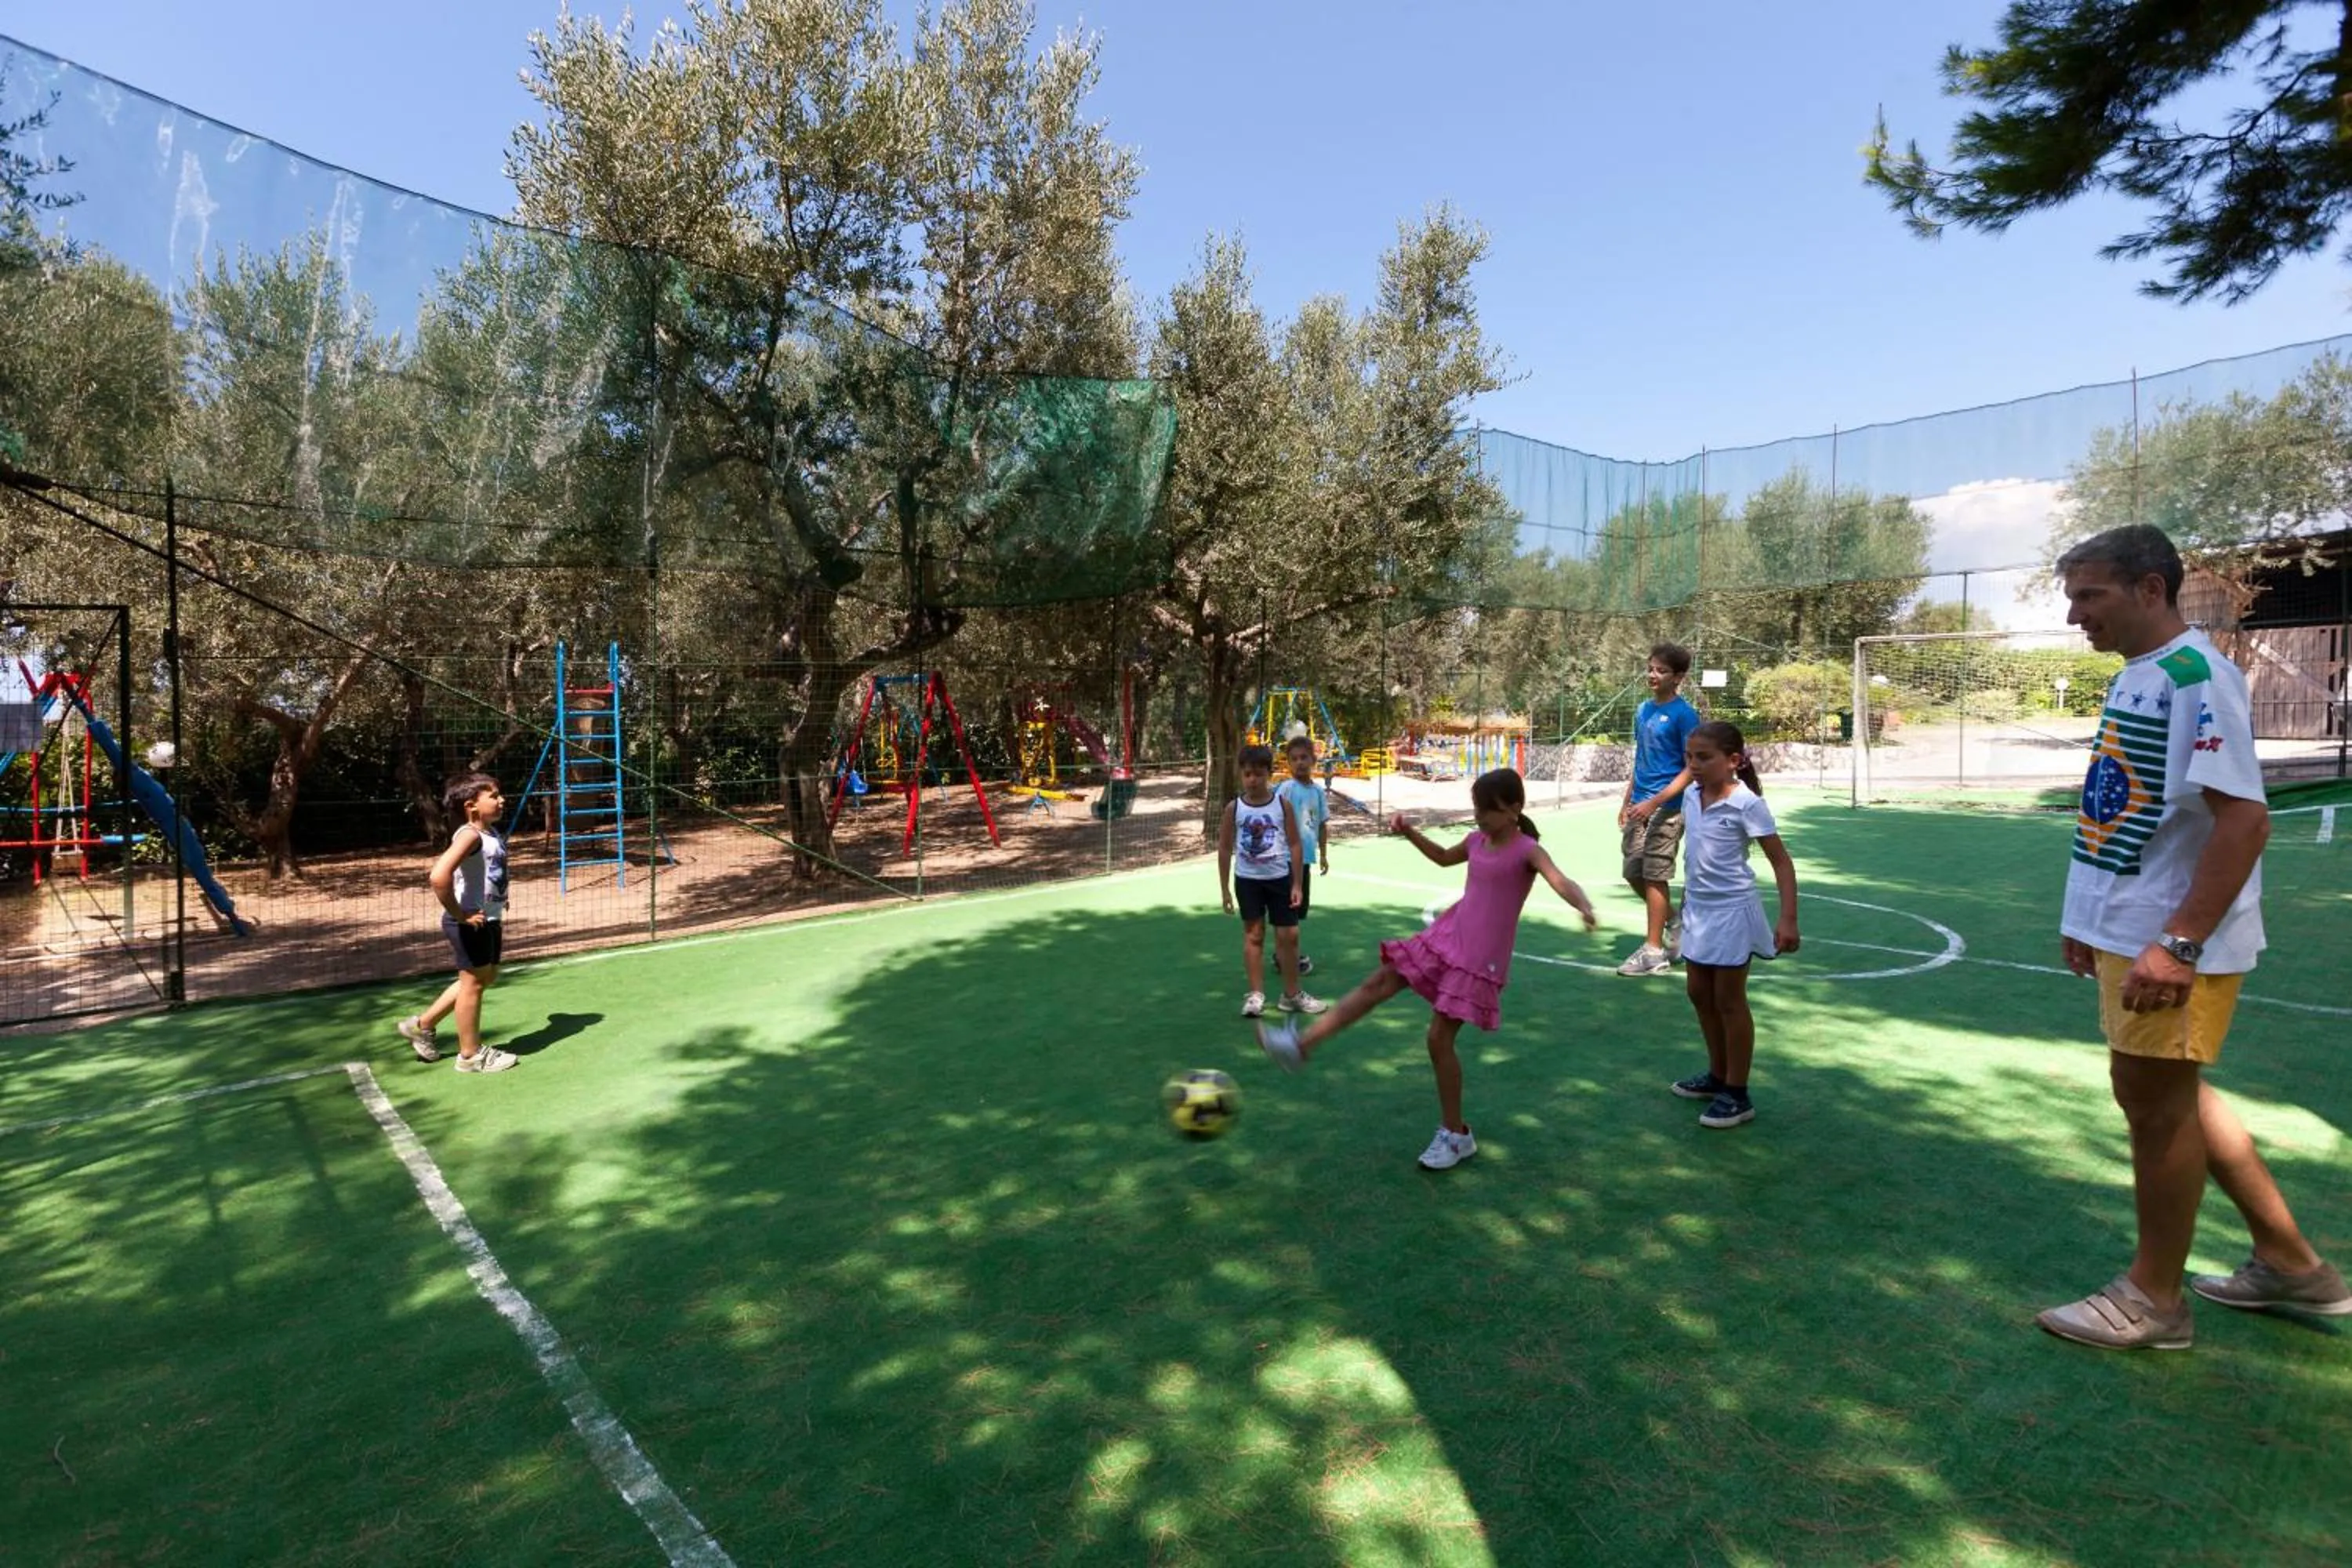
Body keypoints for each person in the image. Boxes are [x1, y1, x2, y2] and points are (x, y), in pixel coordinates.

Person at [2034, 524, 2349, 1349]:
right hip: (2125, 927)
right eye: (2072, 596)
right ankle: (2292, 1264)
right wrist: (2086, 919)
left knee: (2156, 1106)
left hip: (2167, 942)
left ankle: (2155, 1298)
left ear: (2150, 588)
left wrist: (2177, 942)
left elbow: (2243, 822)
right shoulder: (2142, 675)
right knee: (2175, 1096)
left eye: (2089, 595)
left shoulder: (2195, 675)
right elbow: (2130, 804)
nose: (2076, 615)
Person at [1256, 769, 1599, 1171]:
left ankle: (1456, 1135)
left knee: (1438, 1039)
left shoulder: (1527, 850)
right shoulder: (1476, 841)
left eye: (1488, 810)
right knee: (1379, 981)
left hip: (1478, 958)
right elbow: (1441, 858)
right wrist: (1410, 832)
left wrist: (1584, 905)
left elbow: (1559, 879)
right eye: (1477, 810)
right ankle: (1300, 1047)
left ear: (1514, 809)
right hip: (1448, 936)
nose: (1480, 818)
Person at [1664, 720, 1799, 1130]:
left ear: (1734, 761)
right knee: (1698, 992)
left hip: (1732, 913)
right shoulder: (1690, 794)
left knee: (1728, 999)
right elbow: (1695, 857)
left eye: (1704, 757)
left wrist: (1788, 918)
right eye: (1690, 757)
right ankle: (1717, 1076)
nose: (1695, 765)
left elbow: (1781, 861)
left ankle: (1738, 1094)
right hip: (1699, 911)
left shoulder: (1747, 804)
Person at [395, 774, 521, 1073]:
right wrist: (460, 913)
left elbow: (485, 874)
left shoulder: (489, 833)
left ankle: (422, 1026)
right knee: (474, 984)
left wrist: (498, 900)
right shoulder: (470, 835)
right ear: (471, 806)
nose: (501, 799)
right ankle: (470, 1056)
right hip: (469, 923)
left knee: (483, 978)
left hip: (488, 918)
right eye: (493, 795)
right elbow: (439, 876)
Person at [1218, 743, 1325, 1020]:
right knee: (1254, 935)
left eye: (1258, 774)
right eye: (1247, 774)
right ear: (1241, 775)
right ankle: (1255, 996)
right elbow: (1224, 849)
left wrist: (1297, 884)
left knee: (1289, 935)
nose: (1252, 780)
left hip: (1280, 879)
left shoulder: (1282, 804)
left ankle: (1291, 996)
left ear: (1269, 773)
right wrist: (1225, 890)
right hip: (1248, 881)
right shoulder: (1234, 808)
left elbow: (1295, 844)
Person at [1617, 641, 1703, 976]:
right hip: (1640, 805)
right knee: (1633, 871)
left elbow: (1691, 767)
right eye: (1650, 668)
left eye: (1661, 671)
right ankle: (1674, 921)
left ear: (1678, 677)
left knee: (1655, 873)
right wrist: (1628, 801)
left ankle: (1654, 952)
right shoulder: (1643, 710)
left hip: (1669, 807)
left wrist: (1656, 801)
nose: (1653, 675)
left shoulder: (1685, 715)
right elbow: (1642, 760)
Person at [1276, 731, 1332, 977]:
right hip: (1284, 859)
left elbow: (1321, 824)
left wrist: (1323, 854)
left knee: (1295, 912)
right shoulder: (1286, 788)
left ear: (1313, 761)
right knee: (1287, 911)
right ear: (1288, 762)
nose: (1300, 762)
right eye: (1295, 758)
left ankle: (1282, 955)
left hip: (1305, 860)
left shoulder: (1318, 793)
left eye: (1304, 758)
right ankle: (1287, 956)